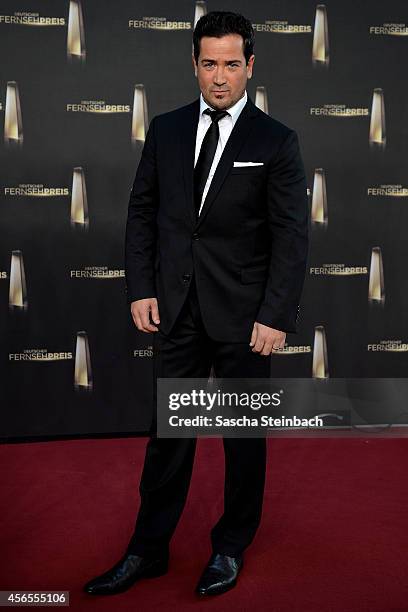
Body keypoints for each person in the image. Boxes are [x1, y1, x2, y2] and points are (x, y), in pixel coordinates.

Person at [83, 10, 308, 598]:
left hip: (244, 319)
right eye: (209, 63)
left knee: (241, 441)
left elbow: (290, 236)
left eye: (232, 64)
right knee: (169, 437)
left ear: (250, 66)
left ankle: (230, 547)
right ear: (194, 63)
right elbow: (141, 213)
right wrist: (141, 286)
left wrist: (276, 315)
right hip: (177, 311)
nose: (220, 76)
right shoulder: (166, 129)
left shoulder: (276, 140)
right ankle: (147, 549)